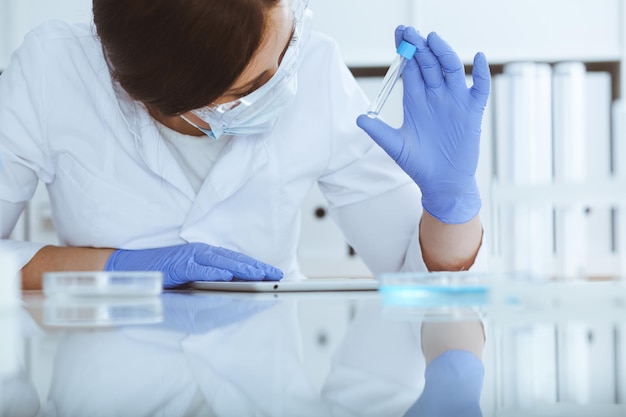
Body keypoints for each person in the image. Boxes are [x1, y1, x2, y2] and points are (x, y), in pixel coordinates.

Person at [0, 0, 490, 290]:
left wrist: (450, 207)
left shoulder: (316, 68)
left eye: (285, 51)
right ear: (152, 94)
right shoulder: (54, 71)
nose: (282, 86)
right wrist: (115, 269)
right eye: (246, 90)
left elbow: (419, 281)